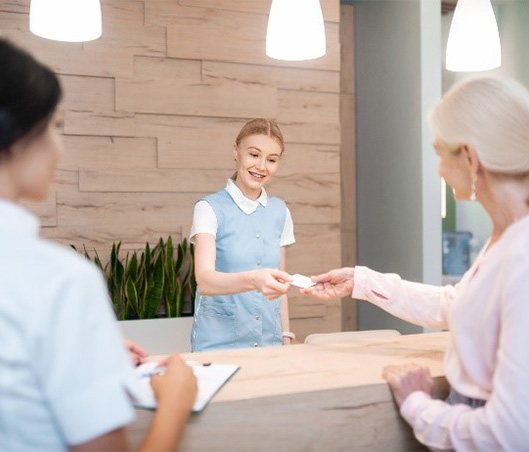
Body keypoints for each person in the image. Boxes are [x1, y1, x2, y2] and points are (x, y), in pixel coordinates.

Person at [302, 76, 529, 450]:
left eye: (440, 152)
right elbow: (458, 304)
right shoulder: (506, 236)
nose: (438, 169)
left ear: (470, 158)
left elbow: (506, 435)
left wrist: (418, 405)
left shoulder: (521, 257)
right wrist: (362, 281)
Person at [0, 38, 197, 451]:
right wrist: (176, 399)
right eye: (55, 126)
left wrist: (85, 352)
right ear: (18, 135)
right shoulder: (60, 281)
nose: (60, 146)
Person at [190, 118, 295, 352]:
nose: (261, 166)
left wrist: (286, 335)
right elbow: (205, 280)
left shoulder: (280, 211)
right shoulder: (209, 208)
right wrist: (254, 280)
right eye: (254, 154)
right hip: (219, 345)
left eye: (271, 159)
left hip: (271, 343)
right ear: (236, 151)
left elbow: (281, 284)